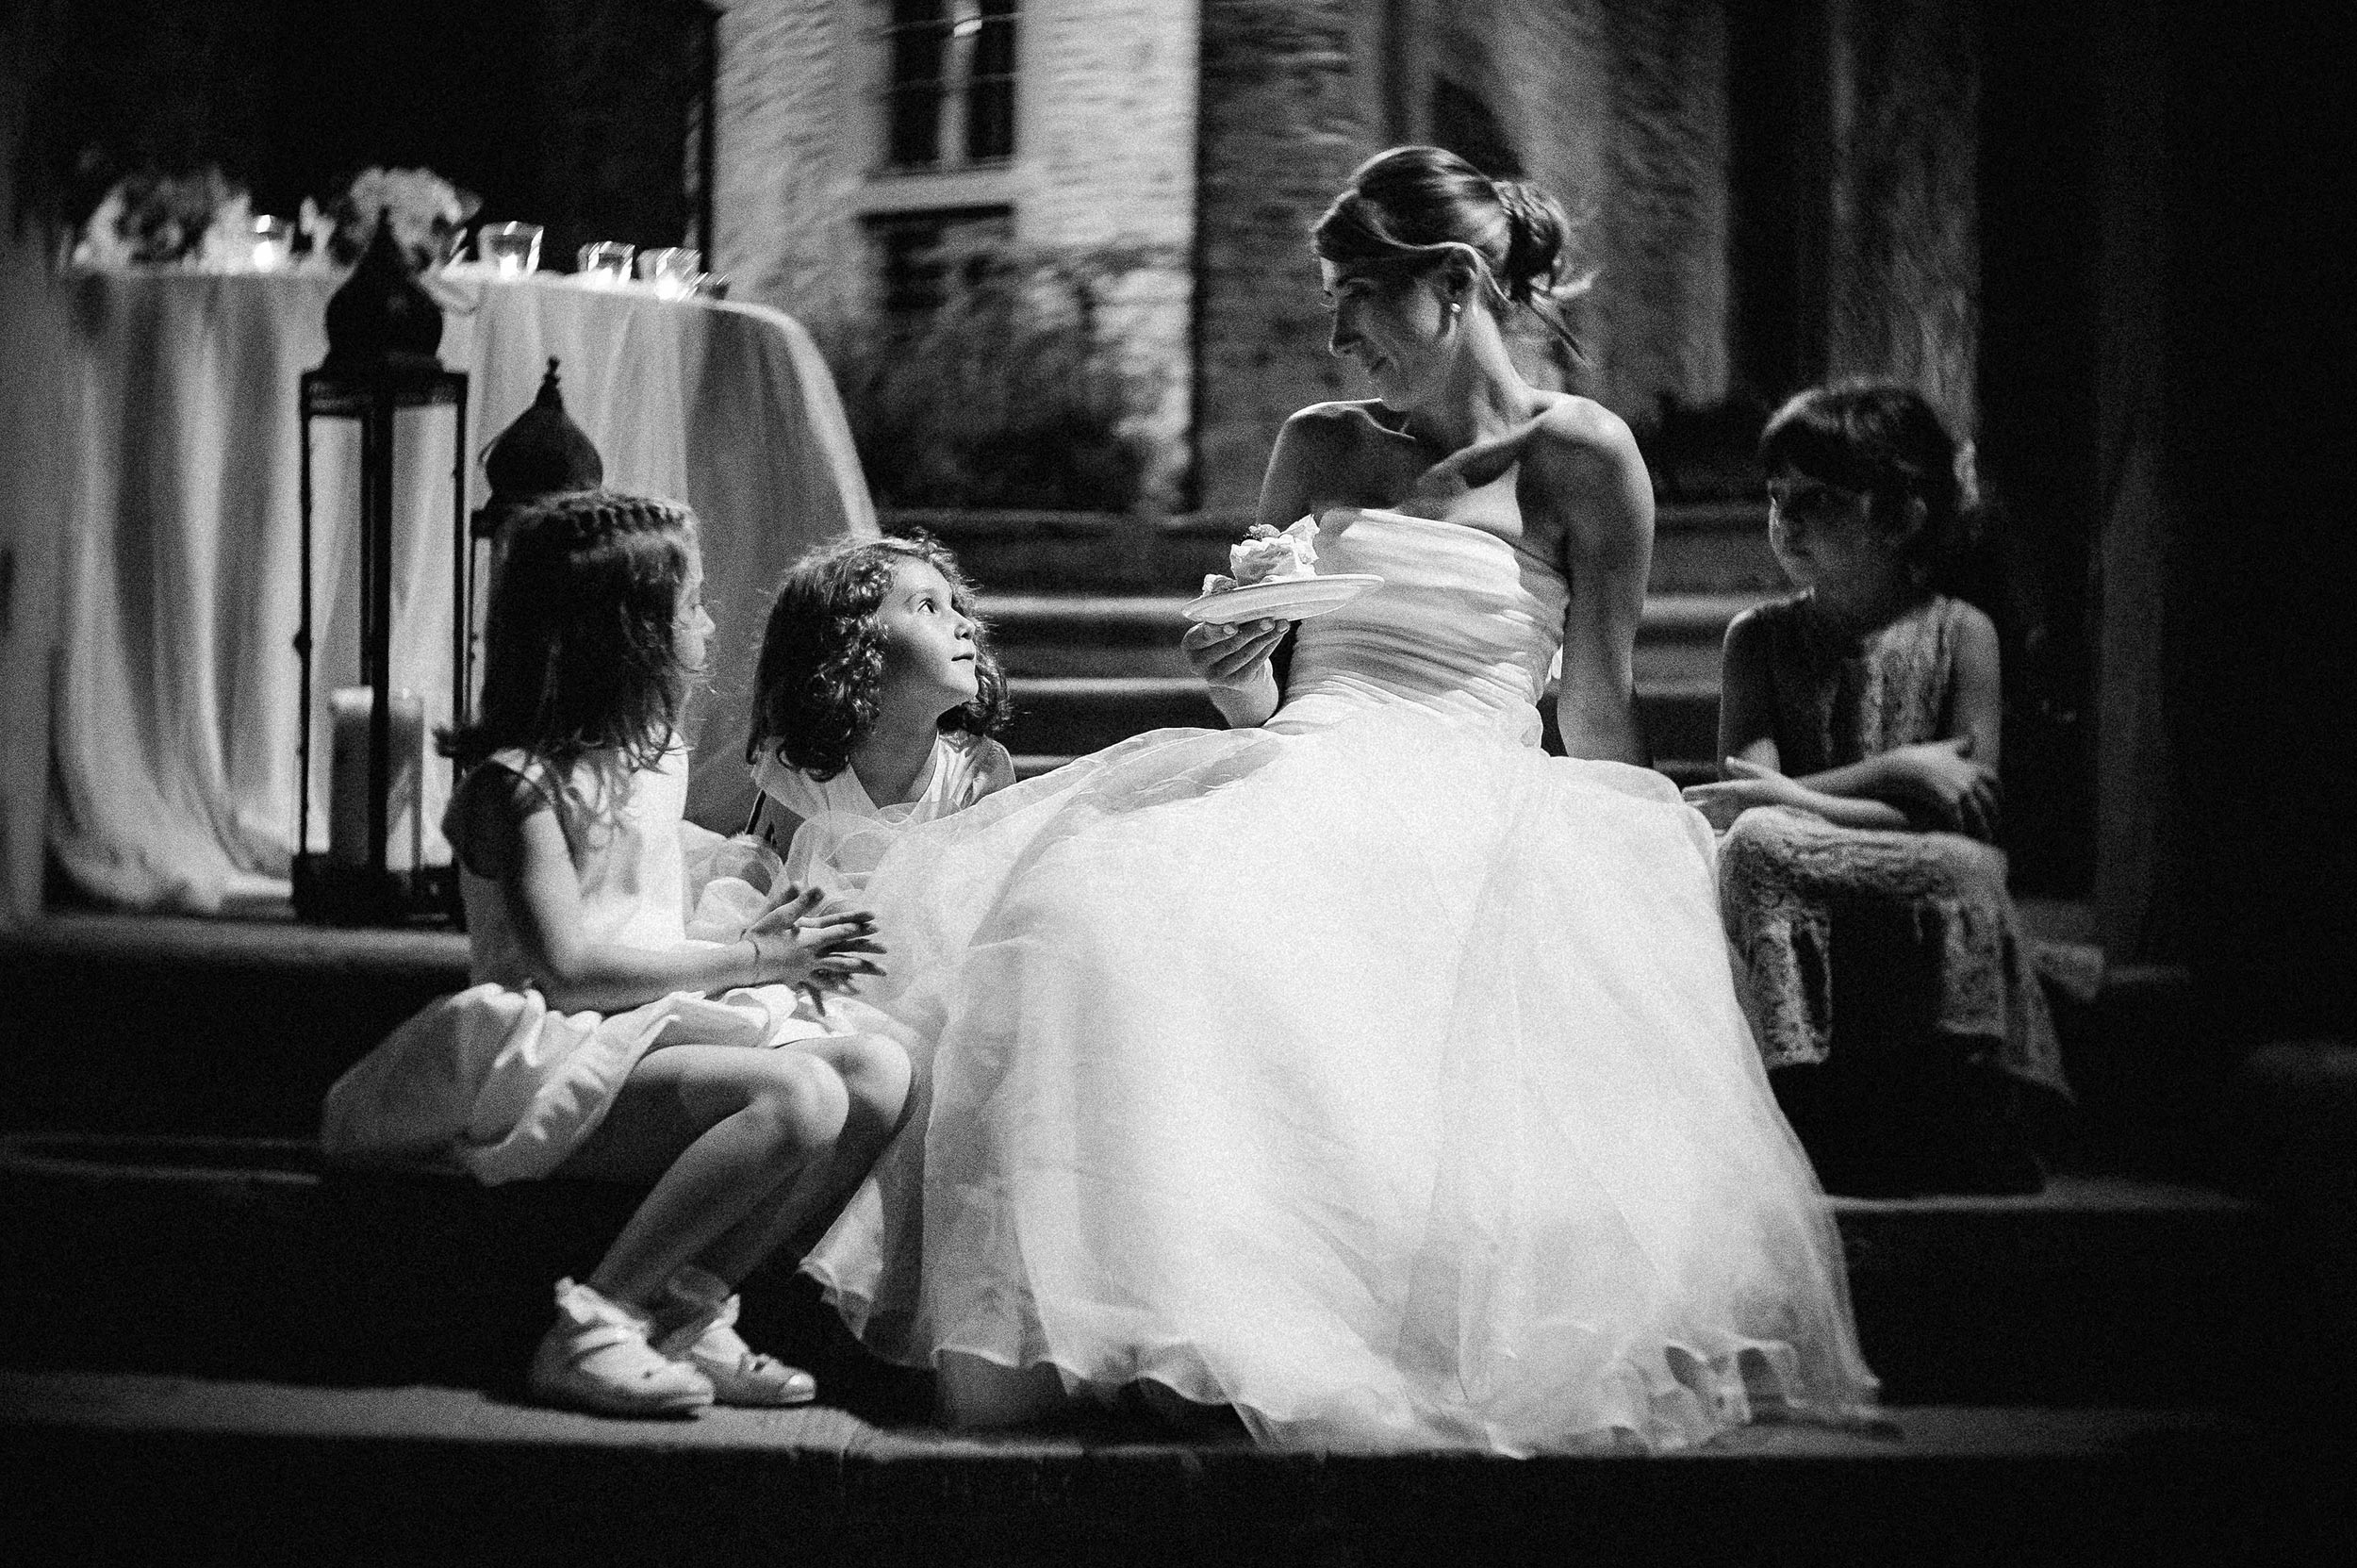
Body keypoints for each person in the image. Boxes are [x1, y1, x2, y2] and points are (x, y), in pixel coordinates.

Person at [801, 146, 1877, 1455]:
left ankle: (1316, 1322)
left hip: (1475, 776)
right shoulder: (1316, 447)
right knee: (1093, 903)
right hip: (1303, 750)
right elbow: (1257, 689)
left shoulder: (1582, 457)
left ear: (1454, 282)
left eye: (1356, 297)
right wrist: (1236, 669)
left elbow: (1593, 704)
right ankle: (1150, 1307)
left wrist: (1629, 855)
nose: (1334, 335)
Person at [320, 490, 909, 1418]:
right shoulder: (513, 788)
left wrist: (763, 912)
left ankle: (690, 1309)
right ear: (626, 632)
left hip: (644, 1031)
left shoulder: (647, 761)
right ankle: (593, 1321)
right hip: (548, 1050)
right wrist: (754, 958)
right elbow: (568, 967)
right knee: (798, 1094)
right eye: (692, 604)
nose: (711, 621)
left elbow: (640, 903)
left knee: (876, 1068)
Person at [1682, 383, 2071, 1194]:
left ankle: (1957, 1102)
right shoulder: (1757, 640)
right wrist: (1901, 769)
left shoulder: (1963, 633)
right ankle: (1801, 1098)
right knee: (1755, 847)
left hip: (1912, 850)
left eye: (1816, 501)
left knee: (1965, 865)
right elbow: (1750, 794)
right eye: (1776, 498)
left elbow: (1969, 807)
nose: (1784, 520)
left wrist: (1815, 798)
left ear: (1899, 515)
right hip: (1804, 849)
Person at [741, 534, 1018, 893]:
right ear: (854, 646)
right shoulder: (799, 769)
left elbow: (982, 901)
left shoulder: (977, 771)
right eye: (928, 607)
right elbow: (800, 906)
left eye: (955, 606)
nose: (968, 626)